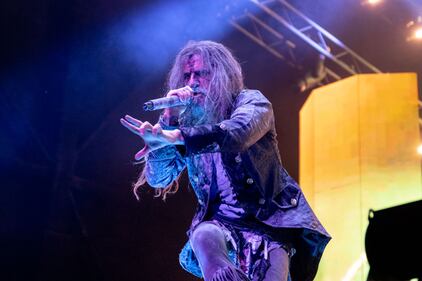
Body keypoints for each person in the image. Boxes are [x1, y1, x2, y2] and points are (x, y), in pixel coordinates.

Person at [121, 40, 330, 281]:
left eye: (200, 74)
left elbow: (237, 134)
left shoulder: (251, 103)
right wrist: (168, 120)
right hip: (218, 225)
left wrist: (176, 135)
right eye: (187, 76)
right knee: (202, 236)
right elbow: (159, 178)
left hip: (267, 225)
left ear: (222, 74)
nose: (192, 83)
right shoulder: (187, 122)